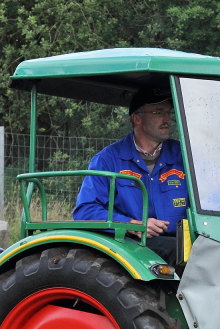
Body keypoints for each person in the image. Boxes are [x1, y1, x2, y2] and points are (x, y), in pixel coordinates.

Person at [73, 86, 187, 263]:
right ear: (137, 119)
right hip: (132, 244)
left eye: (168, 112)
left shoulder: (185, 155)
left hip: (183, 241)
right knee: (181, 253)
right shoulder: (108, 159)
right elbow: (85, 211)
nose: (167, 119)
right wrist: (133, 225)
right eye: (159, 112)